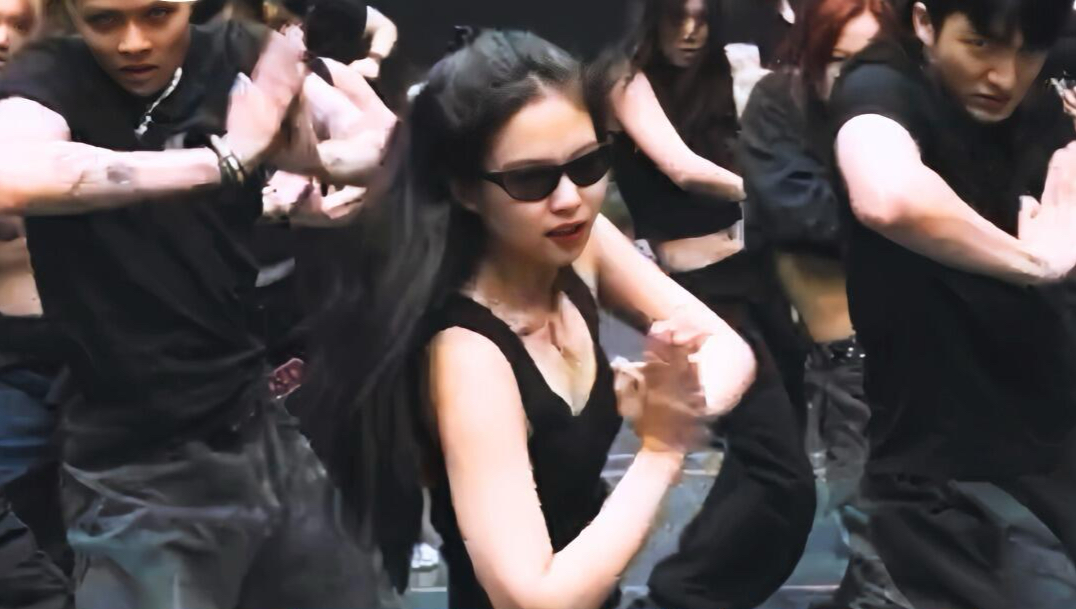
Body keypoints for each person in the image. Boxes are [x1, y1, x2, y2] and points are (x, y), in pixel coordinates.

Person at [300, 27, 757, 609]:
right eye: (530, 180)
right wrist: (664, 447)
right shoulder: (469, 355)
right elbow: (534, 598)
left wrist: (679, 399)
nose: (569, 198)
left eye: (588, 165)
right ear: (466, 190)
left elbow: (727, 349)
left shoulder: (581, 244)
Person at [0, 0, 397, 606]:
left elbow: (380, 138)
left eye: (158, 14)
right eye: (104, 21)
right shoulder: (50, 75)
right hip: (134, 461)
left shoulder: (237, 53)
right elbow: (15, 173)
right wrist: (227, 160)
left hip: (256, 425)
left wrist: (313, 163)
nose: (134, 42)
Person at [830, 0, 1076, 606]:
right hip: (949, 470)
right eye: (980, 45)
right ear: (925, 23)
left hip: (1053, 439)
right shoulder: (882, 84)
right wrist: (1036, 262)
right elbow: (888, 196)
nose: (1004, 76)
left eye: (1027, 51)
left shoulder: (1046, 88)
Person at [602, 0, 817, 606]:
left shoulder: (726, 71)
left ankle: (686, 592)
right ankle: (679, 596)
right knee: (781, 478)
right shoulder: (623, 78)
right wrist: (775, 190)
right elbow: (682, 168)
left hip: (758, 278)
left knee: (767, 470)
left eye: (702, 17)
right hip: (703, 299)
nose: (691, 32)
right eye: (677, 17)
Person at [738, 1, 914, 607]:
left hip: (926, 348)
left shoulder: (912, 107)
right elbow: (798, 215)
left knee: (914, 528)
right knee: (872, 517)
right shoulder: (780, 104)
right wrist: (910, 217)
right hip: (850, 354)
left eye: (875, 60)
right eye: (840, 60)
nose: (856, 77)